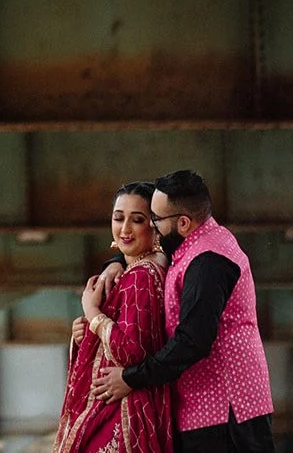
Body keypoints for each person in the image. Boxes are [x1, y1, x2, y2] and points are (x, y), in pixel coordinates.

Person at [88, 169, 275, 452]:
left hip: (225, 414)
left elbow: (193, 341)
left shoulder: (207, 262)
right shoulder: (195, 241)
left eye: (155, 220)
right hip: (209, 411)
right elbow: (150, 249)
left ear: (184, 222)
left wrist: (130, 378)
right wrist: (117, 261)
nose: (151, 227)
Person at [51, 181, 174, 453]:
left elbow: (132, 353)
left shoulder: (141, 276)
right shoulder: (142, 271)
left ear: (154, 226)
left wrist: (93, 314)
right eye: (119, 218)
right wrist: (86, 334)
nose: (125, 228)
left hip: (121, 411)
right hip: (126, 404)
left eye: (137, 219)